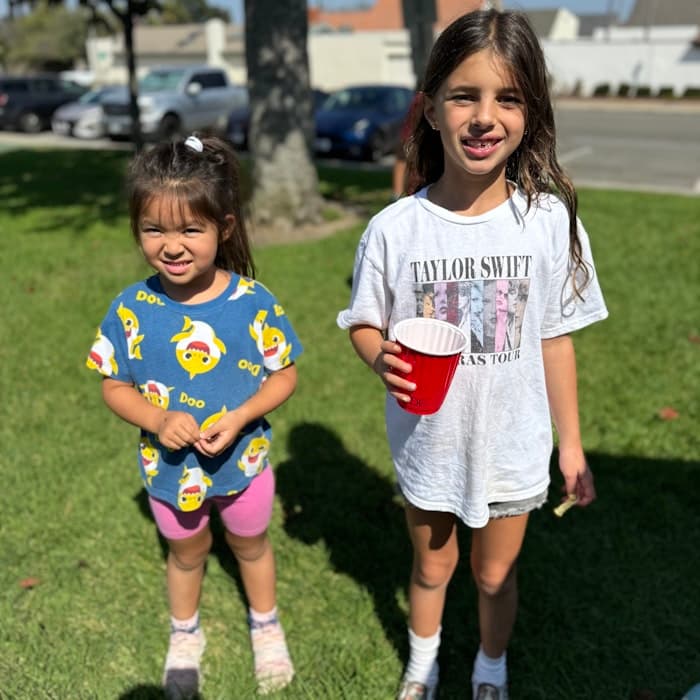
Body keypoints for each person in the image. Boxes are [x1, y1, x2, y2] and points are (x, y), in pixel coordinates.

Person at [337, 9, 608, 700]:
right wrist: (378, 358)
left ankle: (491, 664)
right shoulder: (395, 229)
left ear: (529, 113)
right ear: (429, 110)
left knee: (494, 576)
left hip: (515, 445)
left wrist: (570, 445)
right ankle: (422, 664)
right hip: (429, 442)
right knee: (432, 569)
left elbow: (553, 337)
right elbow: (363, 322)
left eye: (508, 98)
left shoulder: (548, 223)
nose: (486, 116)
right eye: (465, 95)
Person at [86, 135, 301, 699]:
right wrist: (157, 420)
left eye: (190, 230)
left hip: (244, 464)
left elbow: (284, 375)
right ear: (137, 229)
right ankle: (185, 634)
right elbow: (114, 386)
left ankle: (266, 623)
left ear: (223, 228)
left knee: (251, 546)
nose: (172, 246)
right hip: (168, 472)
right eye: (154, 230)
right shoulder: (132, 309)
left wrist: (242, 413)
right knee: (187, 554)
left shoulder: (254, 303)